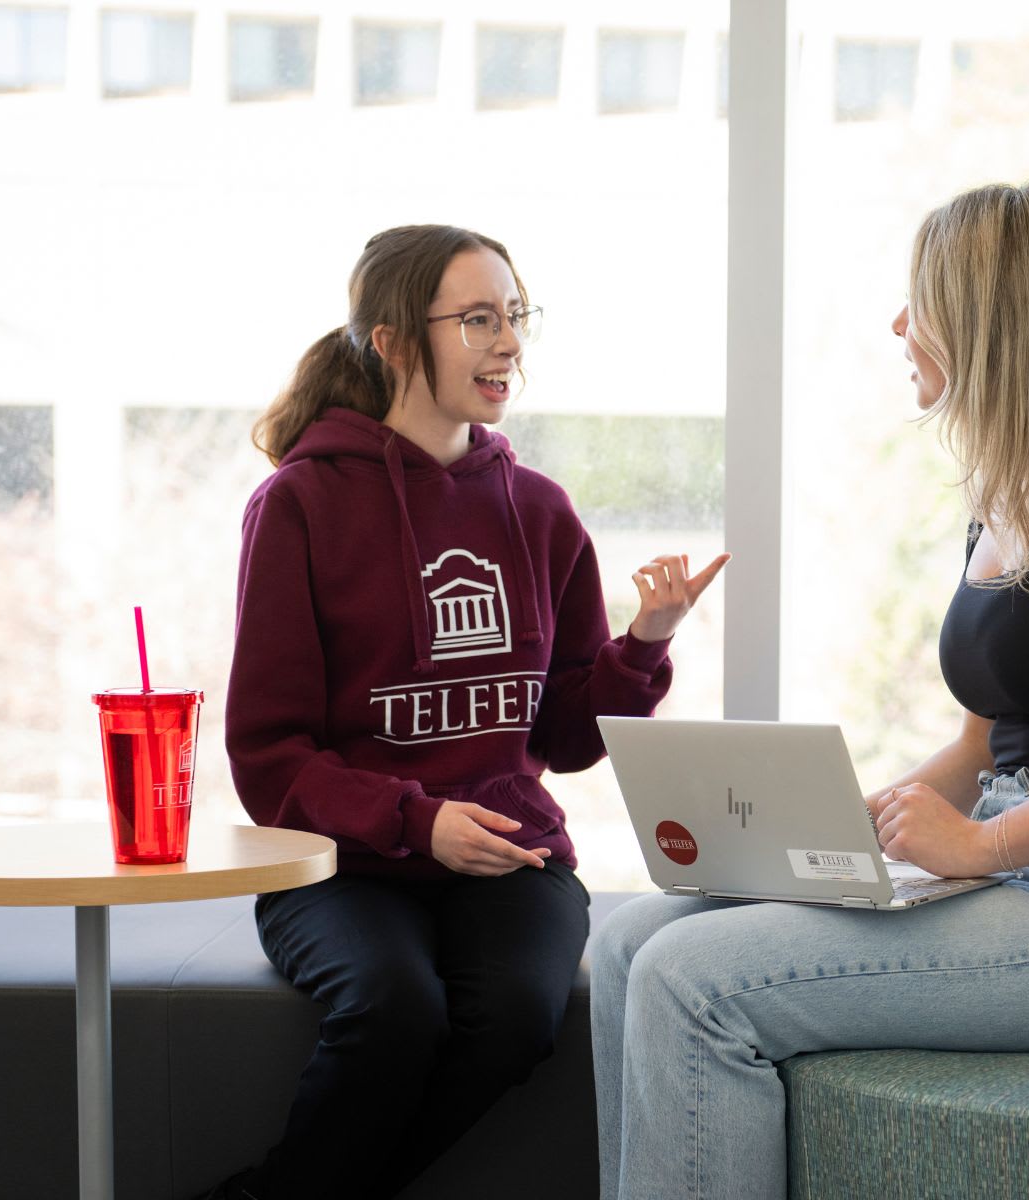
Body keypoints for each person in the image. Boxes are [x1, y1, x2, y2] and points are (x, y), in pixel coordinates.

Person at [589, 179, 1029, 1199]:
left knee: (696, 982)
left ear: (996, 318)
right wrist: (844, 828)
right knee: (633, 938)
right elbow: (986, 744)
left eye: (924, 301)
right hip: (1010, 869)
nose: (900, 325)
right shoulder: (1004, 488)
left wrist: (986, 843)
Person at [210, 224, 727, 1200]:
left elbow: (566, 739)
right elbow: (270, 759)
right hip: (343, 866)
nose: (509, 344)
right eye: (479, 320)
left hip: (509, 856)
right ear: (395, 342)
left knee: (521, 1015)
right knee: (393, 1008)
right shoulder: (298, 507)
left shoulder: (537, 510)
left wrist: (645, 641)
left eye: (515, 317)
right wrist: (417, 822)